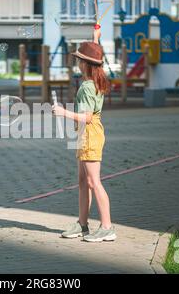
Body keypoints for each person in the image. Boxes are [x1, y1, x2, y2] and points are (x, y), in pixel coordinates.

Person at [52, 27, 116, 242]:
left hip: (89, 132)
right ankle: (82, 224)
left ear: (87, 65)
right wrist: (96, 38)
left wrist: (62, 112)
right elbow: (96, 55)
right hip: (86, 133)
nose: (78, 63)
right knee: (82, 180)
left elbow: (87, 117)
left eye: (80, 60)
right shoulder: (96, 79)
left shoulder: (88, 87)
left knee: (94, 182)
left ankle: (107, 227)